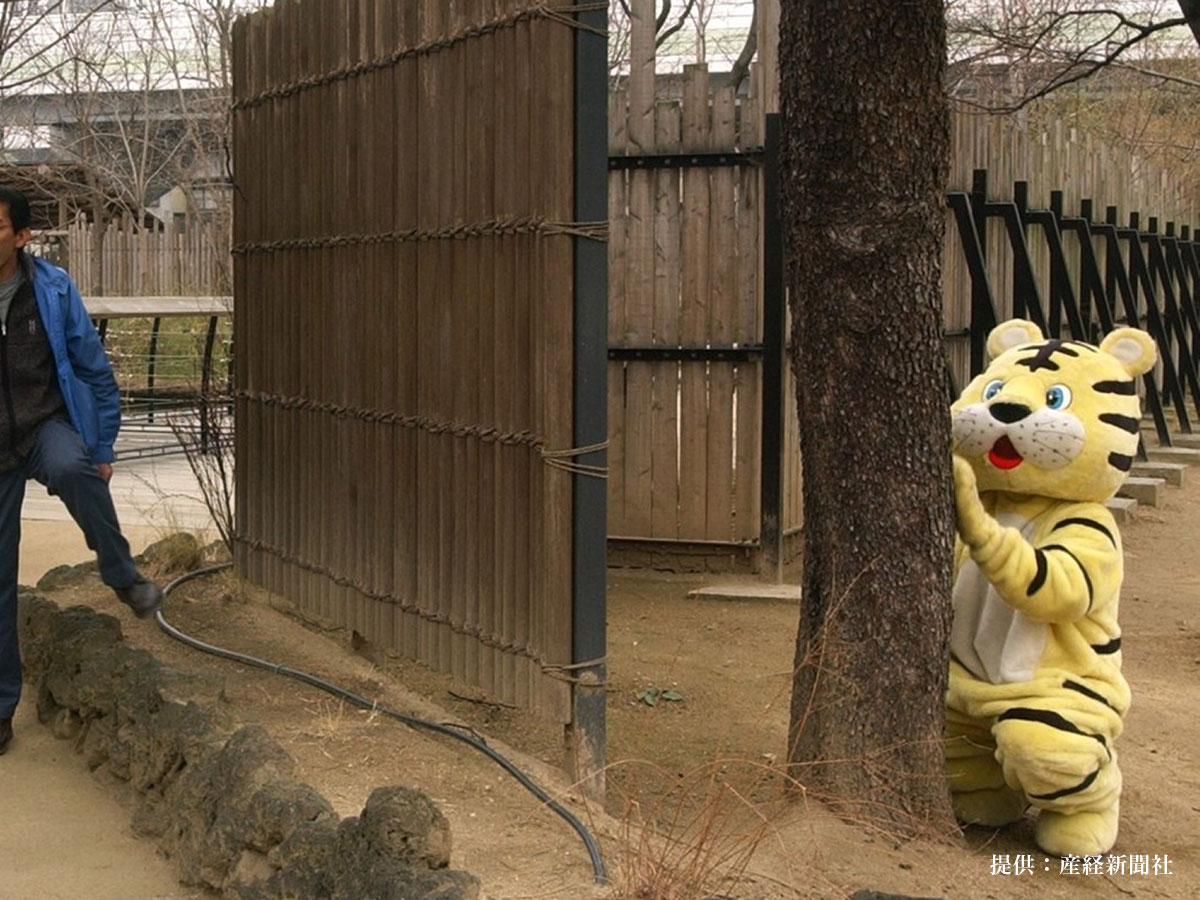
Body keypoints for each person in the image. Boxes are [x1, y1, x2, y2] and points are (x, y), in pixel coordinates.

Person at [0, 185, 162, 755]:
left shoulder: (52, 289)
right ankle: (1, 709)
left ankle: (122, 575)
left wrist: (102, 444)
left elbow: (92, 370)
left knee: (79, 471)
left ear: (22, 236)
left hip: (44, 427)